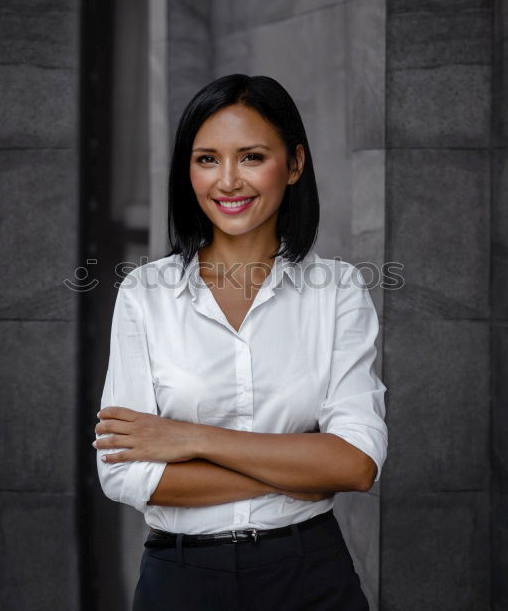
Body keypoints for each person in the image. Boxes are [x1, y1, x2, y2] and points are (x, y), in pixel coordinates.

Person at [93, 74, 388, 611]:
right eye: (207, 159)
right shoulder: (145, 294)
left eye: (251, 156)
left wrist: (190, 439)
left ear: (294, 164)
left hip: (310, 576)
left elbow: (354, 464)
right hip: (181, 581)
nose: (227, 181)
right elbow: (124, 471)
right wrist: (300, 474)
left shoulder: (339, 290)